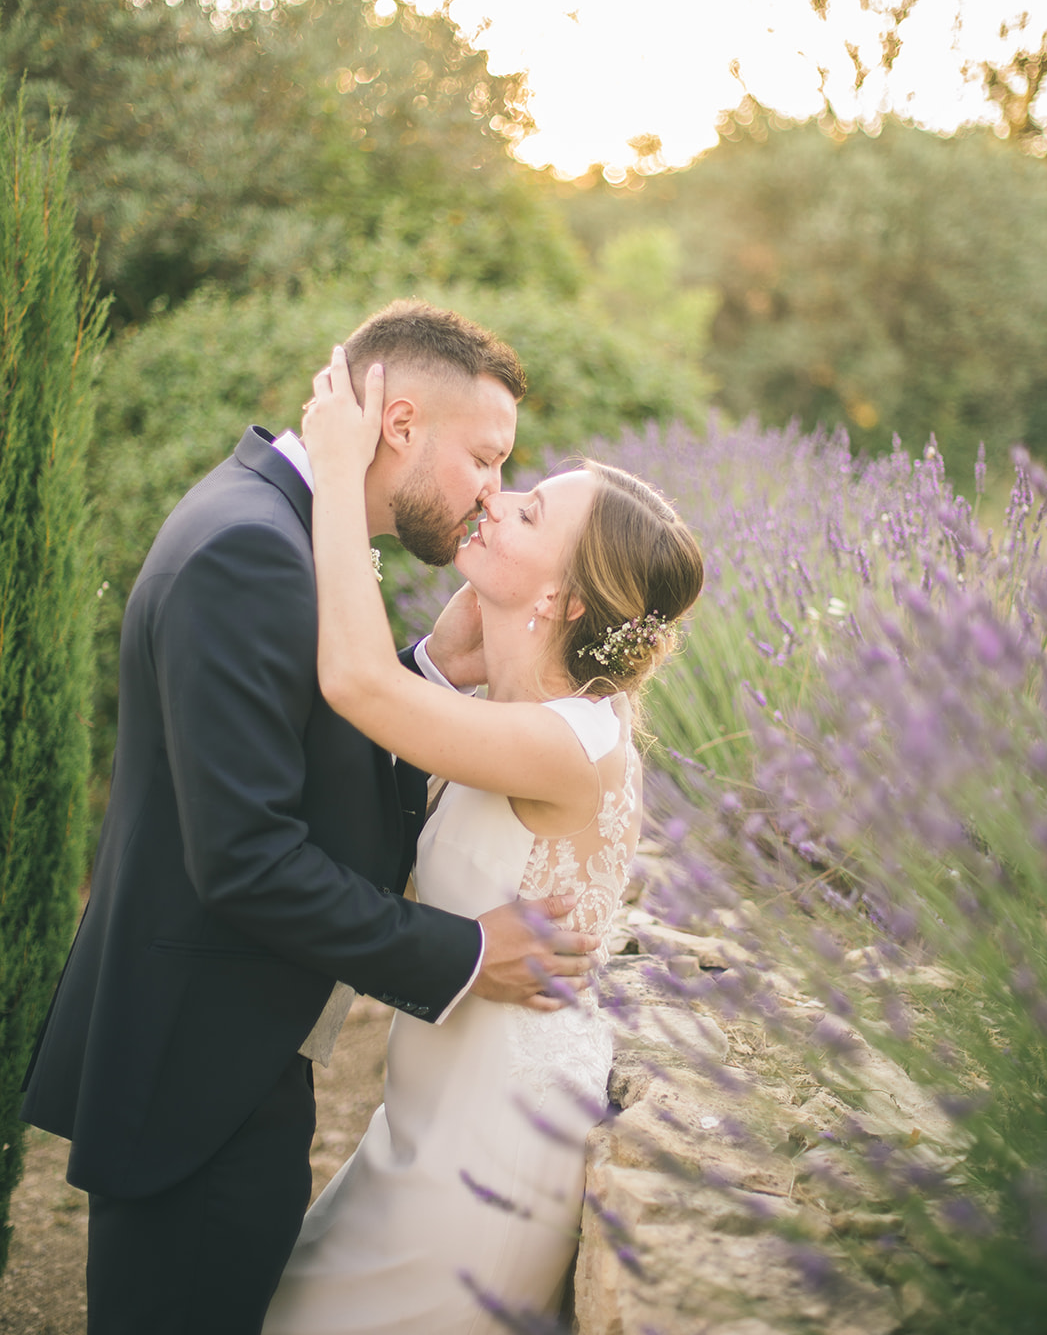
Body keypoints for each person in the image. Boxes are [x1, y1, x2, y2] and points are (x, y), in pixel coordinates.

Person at [20, 301, 597, 1335]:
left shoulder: (275, 524)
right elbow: (245, 856)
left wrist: (426, 671)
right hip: (199, 1074)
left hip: (226, 1054)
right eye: (484, 457)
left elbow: (305, 739)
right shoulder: (250, 551)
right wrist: (466, 952)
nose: (492, 489)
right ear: (401, 424)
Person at [263, 348, 705, 1335]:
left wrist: (335, 472)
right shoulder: (516, 714)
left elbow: (357, 685)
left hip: (493, 1151)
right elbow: (382, 722)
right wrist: (452, 657)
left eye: (530, 513)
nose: (495, 501)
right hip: (426, 1123)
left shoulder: (569, 744)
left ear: (567, 599)